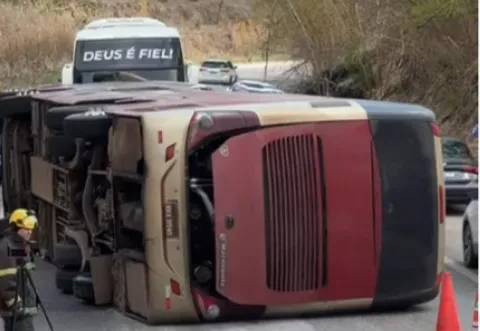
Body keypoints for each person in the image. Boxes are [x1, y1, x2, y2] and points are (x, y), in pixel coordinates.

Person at [0, 209, 38, 331]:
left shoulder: (16, 244)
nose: (30, 231)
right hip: (16, 309)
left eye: (31, 227)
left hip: (21, 306)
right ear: (16, 227)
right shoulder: (8, 246)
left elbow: (21, 263)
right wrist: (14, 303)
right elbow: (6, 277)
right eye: (26, 227)